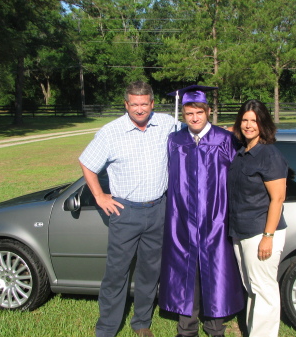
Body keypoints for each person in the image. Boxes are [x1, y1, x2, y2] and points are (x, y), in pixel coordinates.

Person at [79, 81, 179, 337]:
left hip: (158, 209)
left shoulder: (167, 124)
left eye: (144, 103)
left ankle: (141, 323)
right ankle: (107, 328)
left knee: (149, 272)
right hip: (126, 213)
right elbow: (87, 164)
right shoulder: (110, 132)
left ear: (152, 104)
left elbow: (194, 132)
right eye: (134, 104)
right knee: (117, 272)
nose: (139, 109)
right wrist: (100, 196)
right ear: (126, 105)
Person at [159, 85, 245, 337]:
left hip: (216, 218)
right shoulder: (175, 141)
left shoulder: (224, 140)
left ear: (208, 111)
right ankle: (186, 328)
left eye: (199, 112)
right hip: (182, 217)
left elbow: (237, 179)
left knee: (216, 269)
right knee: (185, 269)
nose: (194, 118)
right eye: (189, 113)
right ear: (183, 115)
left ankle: (215, 326)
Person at [227, 99, 288, 337]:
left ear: (264, 123)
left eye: (254, 120)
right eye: (245, 120)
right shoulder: (244, 152)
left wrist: (268, 236)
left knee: (264, 289)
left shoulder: (268, 154)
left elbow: (278, 198)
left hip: (259, 232)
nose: (249, 125)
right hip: (241, 231)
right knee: (253, 287)